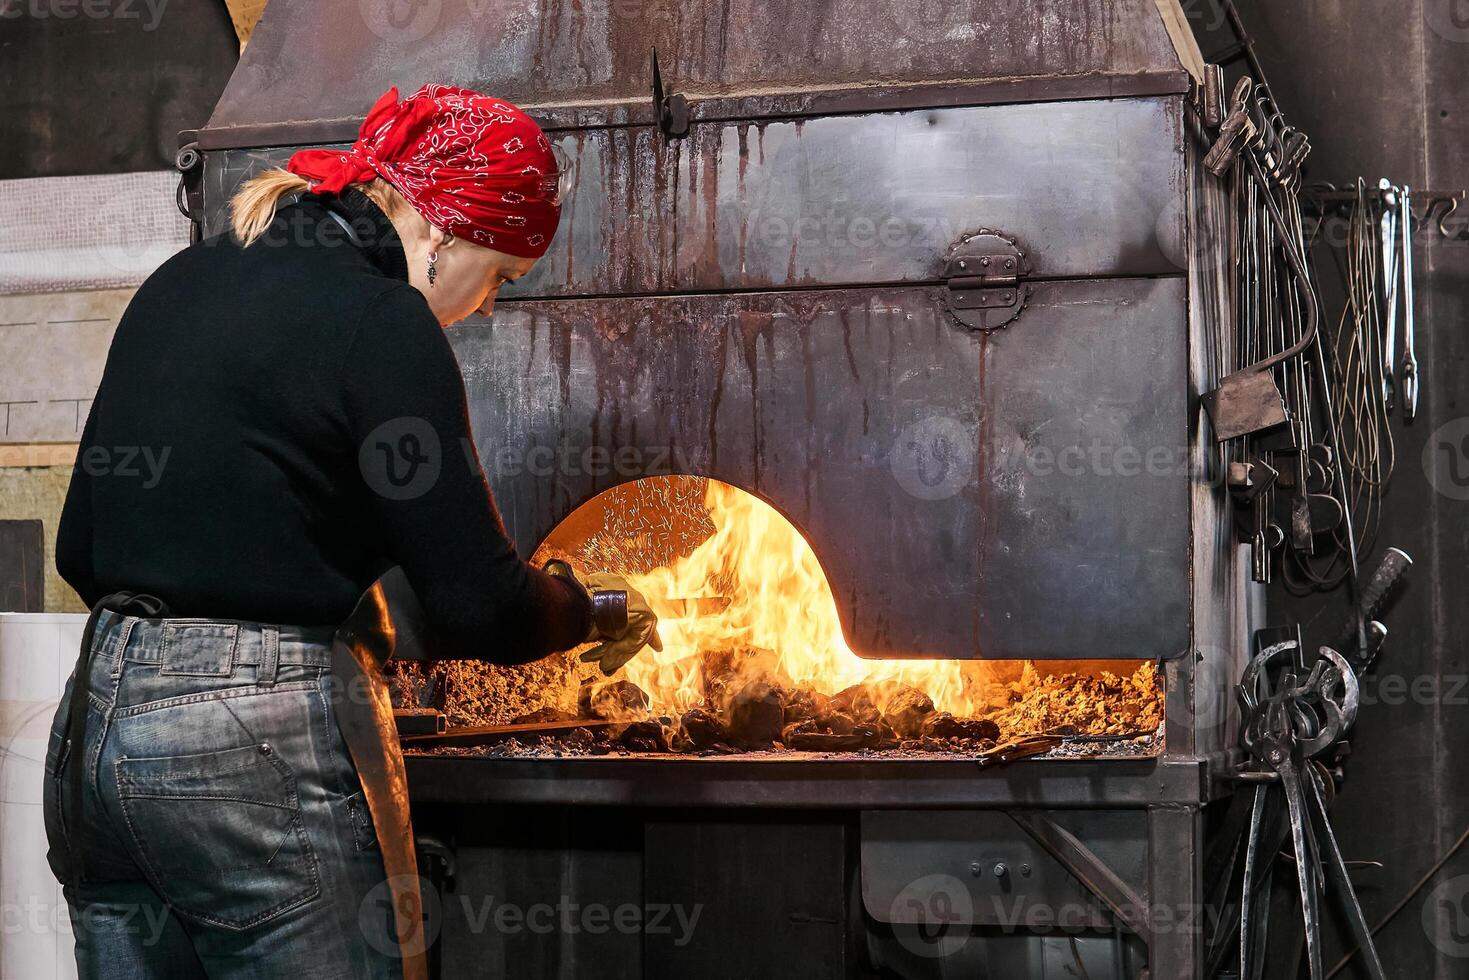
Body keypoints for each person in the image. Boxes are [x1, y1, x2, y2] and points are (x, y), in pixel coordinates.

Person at [44, 83, 658, 979]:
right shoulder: (382, 321)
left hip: (93, 731)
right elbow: (478, 605)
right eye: (500, 274)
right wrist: (590, 609)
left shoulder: (187, 277)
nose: (485, 305)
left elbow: (76, 548)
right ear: (443, 231)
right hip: (249, 754)